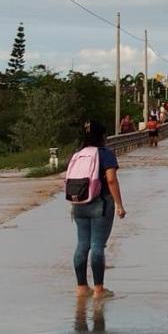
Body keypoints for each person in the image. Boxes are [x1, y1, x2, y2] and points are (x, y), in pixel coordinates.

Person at [69, 120, 128, 299]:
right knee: (97, 246)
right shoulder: (105, 154)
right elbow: (111, 180)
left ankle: (81, 287)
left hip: (79, 204)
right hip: (100, 203)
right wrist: (119, 204)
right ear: (103, 136)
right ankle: (99, 289)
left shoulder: (78, 153)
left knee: (82, 245)